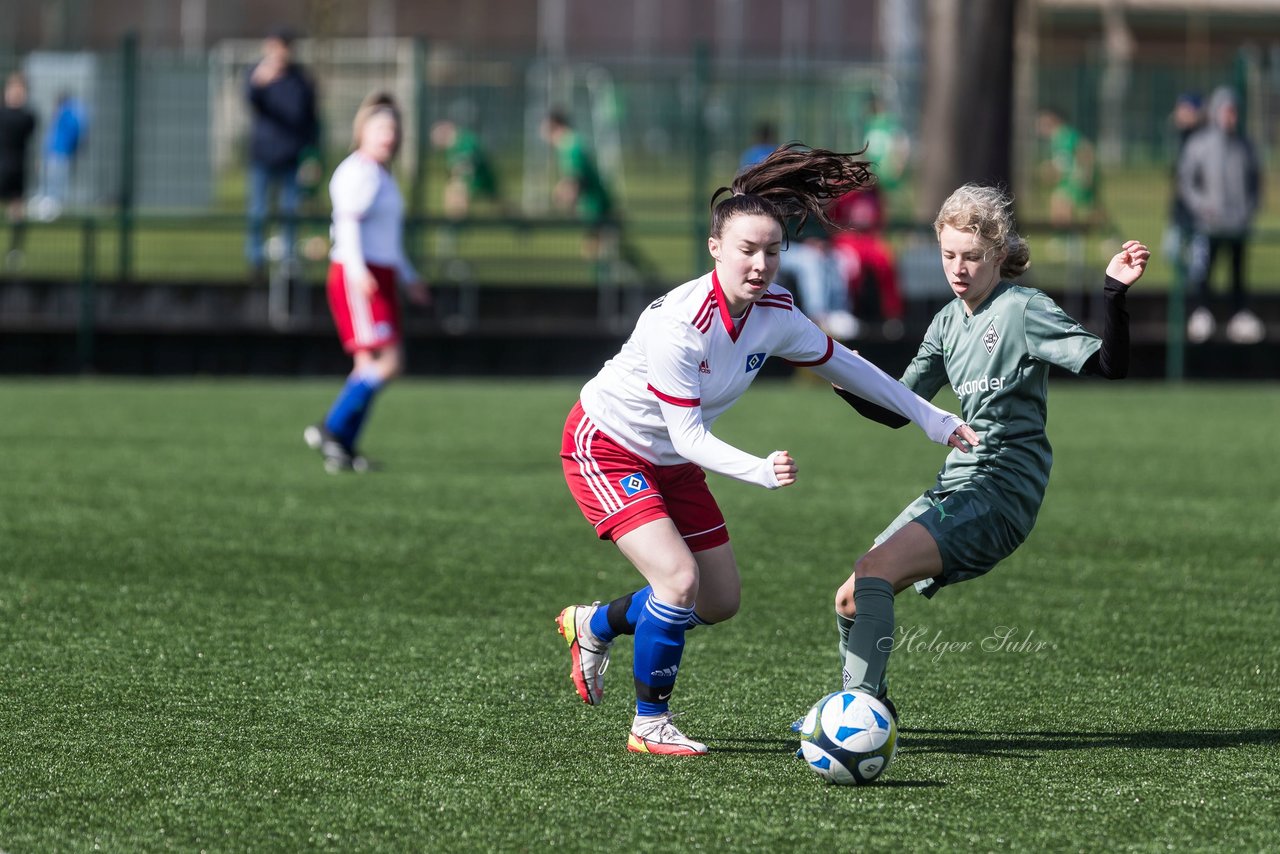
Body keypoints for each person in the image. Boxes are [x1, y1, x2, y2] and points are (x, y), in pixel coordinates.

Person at [554, 144, 981, 756]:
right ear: (715, 249)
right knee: (676, 581)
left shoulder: (775, 312)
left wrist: (933, 418)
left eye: (772, 251)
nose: (760, 264)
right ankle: (649, 725)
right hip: (609, 446)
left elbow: (850, 367)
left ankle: (594, 623)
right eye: (746, 250)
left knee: (719, 600)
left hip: (671, 461)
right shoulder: (680, 324)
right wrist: (758, 469)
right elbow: (687, 436)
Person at [818, 184, 1148, 726]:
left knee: (876, 571)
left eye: (971, 256)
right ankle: (868, 709)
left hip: (1001, 490)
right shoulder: (948, 322)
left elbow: (1110, 365)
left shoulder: (1023, 309)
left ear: (997, 253)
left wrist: (1113, 291)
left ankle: (857, 715)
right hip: (957, 485)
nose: (959, 268)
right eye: (949, 255)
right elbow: (900, 408)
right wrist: (843, 375)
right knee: (852, 597)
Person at [303, 92, 430, 474]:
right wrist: (358, 271)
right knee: (390, 362)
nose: (387, 135)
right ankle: (330, 426)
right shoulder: (358, 171)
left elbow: (388, 240)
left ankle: (342, 446)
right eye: (380, 128)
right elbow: (347, 224)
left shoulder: (381, 175)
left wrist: (409, 278)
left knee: (367, 365)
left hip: (381, 274)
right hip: (360, 275)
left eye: (392, 129)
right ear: (363, 131)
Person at [1178, 86, 1264, 345]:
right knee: (1204, 271)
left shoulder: (1245, 146)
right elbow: (1186, 182)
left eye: (1235, 112)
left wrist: (1248, 210)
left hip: (1237, 225)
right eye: (1228, 112)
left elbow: (1256, 183)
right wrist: (1203, 207)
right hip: (1208, 225)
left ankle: (1240, 316)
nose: (1231, 118)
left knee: (1238, 271)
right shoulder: (1199, 144)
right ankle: (1202, 314)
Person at [245, 27, 318, 276]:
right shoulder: (258, 75)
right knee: (258, 209)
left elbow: (309, 118)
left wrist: (311, 155)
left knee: (291, 209)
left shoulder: (300, 79)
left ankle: (288, 259)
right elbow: (251, 100)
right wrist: (259, 83)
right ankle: (255, 259)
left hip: (291, 155)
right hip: (263, 154)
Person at [1036, 107, 1098, 228]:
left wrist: (1086, 173)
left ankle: (1071, 238)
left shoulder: (1065, 134)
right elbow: (1064, 162)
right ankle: (1068, 237)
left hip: (1077, 178)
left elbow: (1085, 151)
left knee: (1085, 209)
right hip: (1068, 180)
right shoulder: (1056, 139)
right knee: (1061, 204)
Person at [429, 119, 503, 220]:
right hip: (468, 180)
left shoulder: (466, 140)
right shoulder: (450, 148)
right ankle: (453, 224)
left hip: (480, 178)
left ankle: (456, 224)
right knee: (452, 191)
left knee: (500, 204)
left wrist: (460, 173)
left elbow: (472, 159)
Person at [0, 72, 36, 269]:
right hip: (1, 166)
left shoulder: (27, 116)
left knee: (17, 211)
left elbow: (25, 128)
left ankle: (14, 250)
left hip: (17, 168)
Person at [32, 91, 83, 221]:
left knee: (54, 185)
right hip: (57, 154)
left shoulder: (65, 116)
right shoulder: (67, 116)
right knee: (52, 184)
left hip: (58, 154)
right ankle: (49, 211)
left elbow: (58, 139)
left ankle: (50, 212)